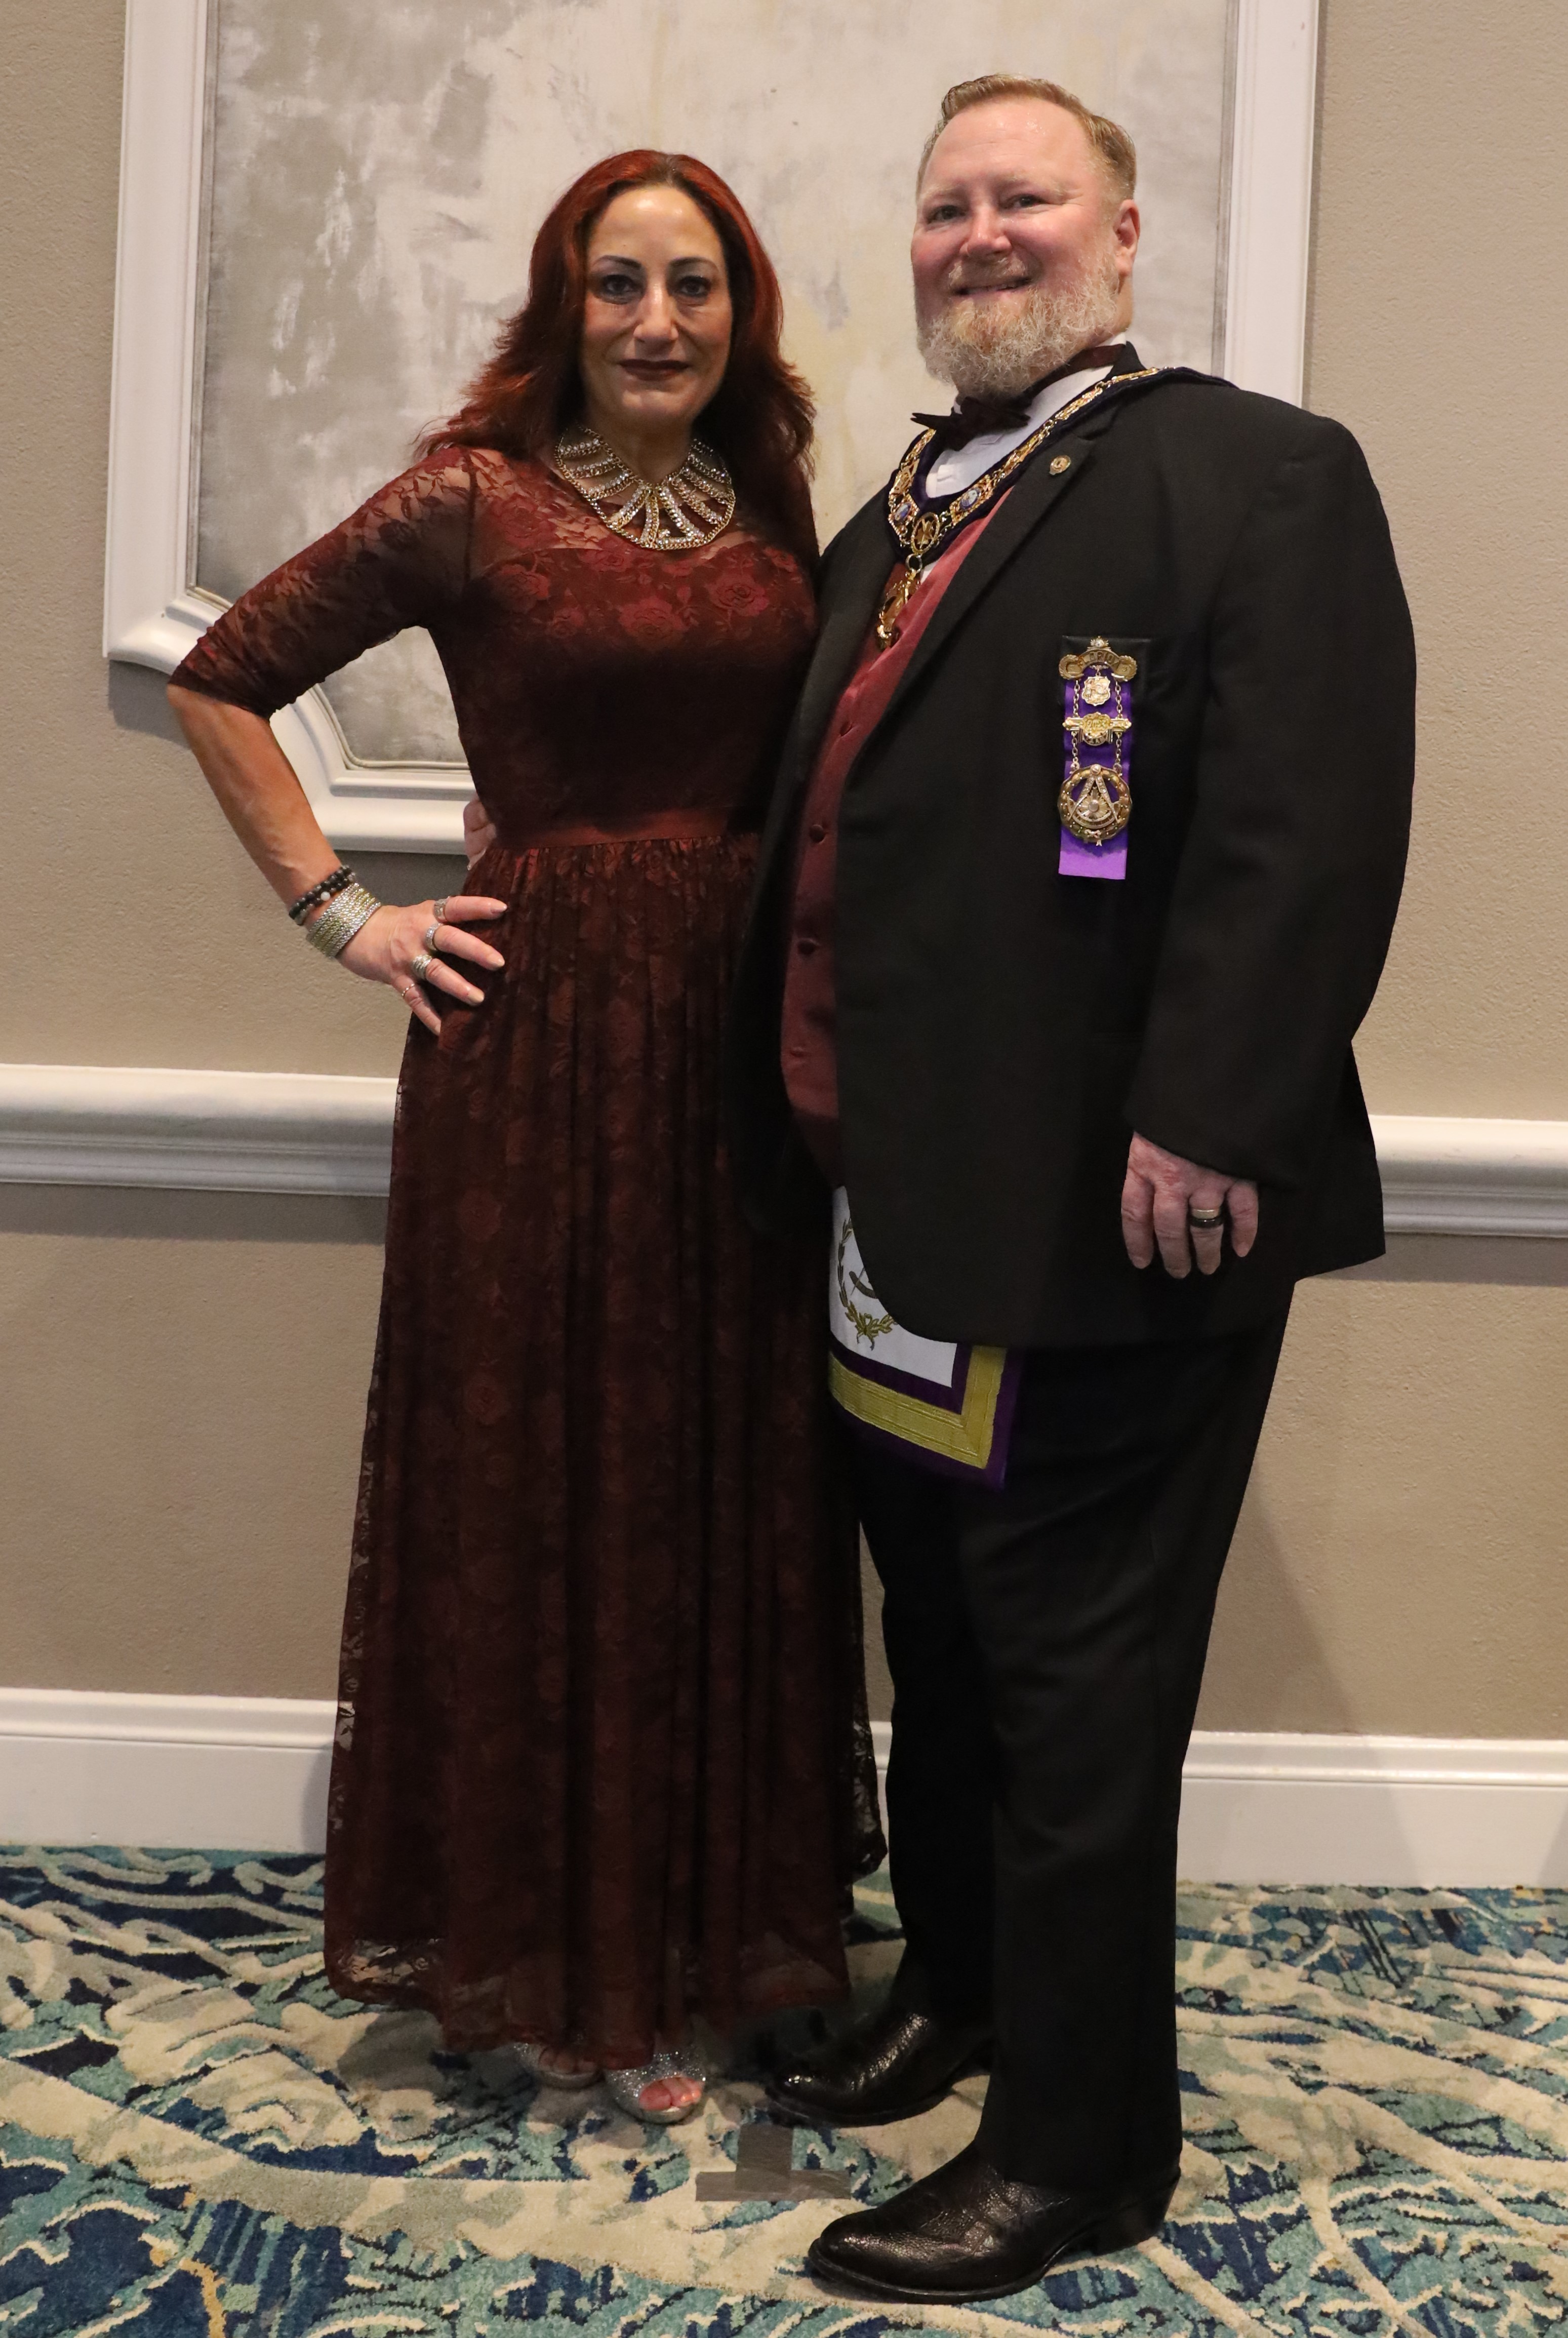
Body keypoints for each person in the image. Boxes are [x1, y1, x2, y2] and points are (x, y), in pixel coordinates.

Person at [725, 75, 1413, 2299]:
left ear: (1122, 235)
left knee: (1077, 1693)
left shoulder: (1256, 478)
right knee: (940, 1638)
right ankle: (965, 1989)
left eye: (1024, 197)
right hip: (893, 1215)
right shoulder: (897, 512)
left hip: (1116, 1222)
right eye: (945, 206)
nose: (978, 234)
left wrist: (1211, 1113)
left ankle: (1078, 2149)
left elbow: (1305, 833)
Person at [168, 150, 880, 2126]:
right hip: (538, 1048)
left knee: (726, 1465)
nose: (656, 320)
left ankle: (720, 1930)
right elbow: (227, 680)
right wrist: (346, 913)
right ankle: (564, 1959)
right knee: (554, 1470)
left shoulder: (772, 493)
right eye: (617, 283)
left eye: (693, 284)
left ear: (739, 310)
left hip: (735, 1054)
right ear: (564, 305)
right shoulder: (470, 498)